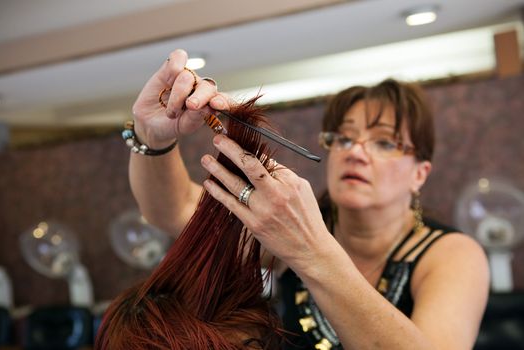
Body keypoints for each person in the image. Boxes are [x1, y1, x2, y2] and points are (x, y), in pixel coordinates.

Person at [128, 49, 489, 349]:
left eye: (383, 142)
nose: (356, 153)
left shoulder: (452, 255)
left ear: (420, 173)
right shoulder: (283, 229)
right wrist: (151, 137)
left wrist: (309, 251)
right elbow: (175, 210)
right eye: (343, 138)